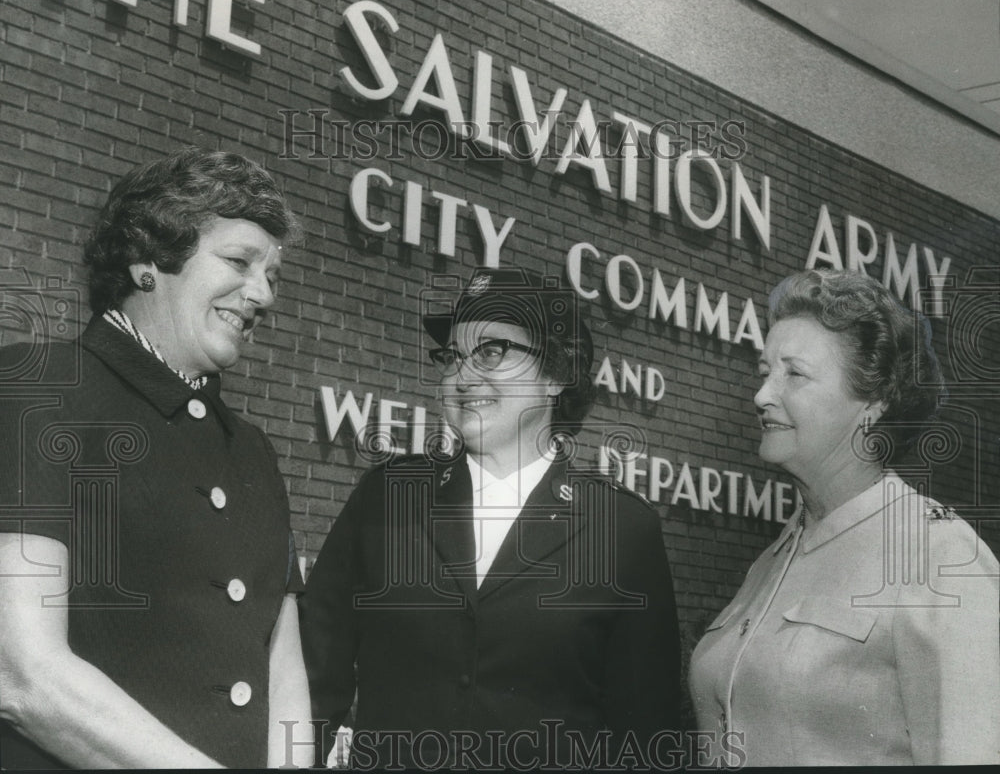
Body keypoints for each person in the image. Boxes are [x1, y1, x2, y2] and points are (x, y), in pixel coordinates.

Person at [0, 147, 313, 769]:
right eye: (238, 261)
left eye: (272, 275)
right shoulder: (37, 389)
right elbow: (22, 672)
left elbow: (283, 674)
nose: (262, 294)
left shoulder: (252, 452)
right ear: (148, 260)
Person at [300, 267, 682, 769]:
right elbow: (312, 679)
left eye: (492, 352)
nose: (463, 375)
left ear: (554, 376)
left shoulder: (621, 528)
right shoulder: (387, 498)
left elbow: (647, 736)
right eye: (453, 357)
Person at [689, 268, 1000, 766]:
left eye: (794, 373)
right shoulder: (770, 561)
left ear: (873, 404)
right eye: (764, 371)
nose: (762, 395)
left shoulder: (939, 556)